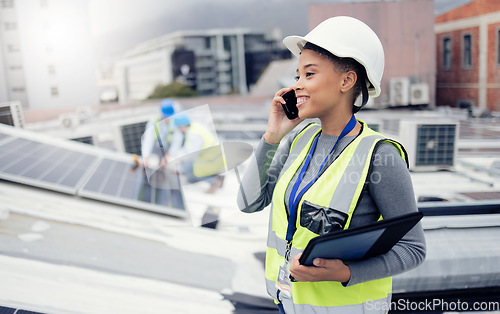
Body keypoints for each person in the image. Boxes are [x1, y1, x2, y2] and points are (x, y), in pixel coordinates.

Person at [237, 16, 426, 313]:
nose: (297, 86)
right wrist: (271, 137)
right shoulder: (297, 140)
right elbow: (248, 203)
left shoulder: (380, 156)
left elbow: (413, 249)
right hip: (288, 305)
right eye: (297, 76)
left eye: (308, 75)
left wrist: (346, 273)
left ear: (346, 80)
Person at [170, 112, 225, 194]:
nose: (177, 129)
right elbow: (187, 149)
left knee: (189, 171)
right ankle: (217, 176)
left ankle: (214, 182)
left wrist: (179, 168)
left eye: (177, 127)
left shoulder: (194, 135)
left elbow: (191, 157)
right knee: (188, 175)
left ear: (181, 126)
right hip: (214, 159)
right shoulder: (194, 127)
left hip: (212, 161)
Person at [141, 98, 181, 169]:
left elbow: (177, 142)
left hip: (168, 149)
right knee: (152, 163)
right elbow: (148, 140)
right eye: (167, 117)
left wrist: (168, 156)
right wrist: (145, 157)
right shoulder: (154, 122)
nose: (168, 118)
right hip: (156, 150)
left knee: (172, 163)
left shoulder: (176, 122)